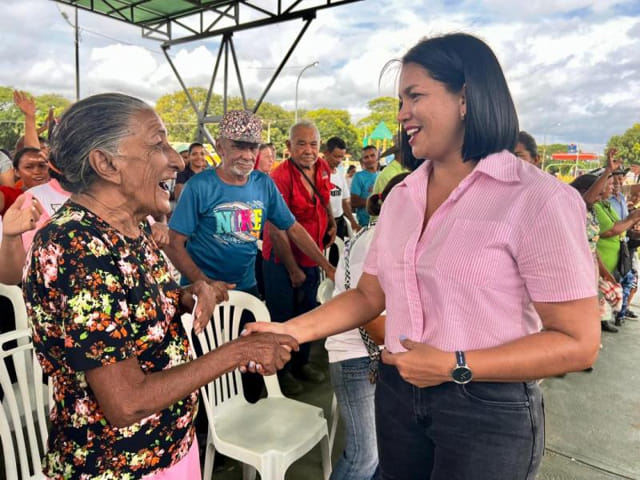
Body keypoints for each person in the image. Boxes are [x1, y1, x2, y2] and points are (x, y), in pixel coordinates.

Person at [246, 33, 599, 479]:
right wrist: (288, 331)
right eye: (400, 100)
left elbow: (578, 342)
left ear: (466, 97)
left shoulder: (537, 199)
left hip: (485, 408)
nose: (401, 115)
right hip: (397, 390)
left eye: (415, 96)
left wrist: (456, 366)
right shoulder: (402, 198)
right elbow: (368, 296)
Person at [23, 93, 298, 479]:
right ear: (105, 163)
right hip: (119, 466)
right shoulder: (77, 246)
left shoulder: (129, 230)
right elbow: (126, 401)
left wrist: (191, 294)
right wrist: (237, 352)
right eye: (158, 143)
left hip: (169, 448)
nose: (177, 159)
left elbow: (139, 307)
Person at [326, 172, 408, 480]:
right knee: (365, 456)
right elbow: (374, 326)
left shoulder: (388, 236)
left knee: (386, 452)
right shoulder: (377, 243)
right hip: (357, 360)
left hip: (374, 356)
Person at [261, 120, 336, 396]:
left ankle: (303, 362)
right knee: (283, 317)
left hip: (311, 256)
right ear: (289, 147)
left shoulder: (323, 167)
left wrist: (331, 221)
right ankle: (282, 373)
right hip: (283, 262)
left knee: (308, 313)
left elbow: (325, 197)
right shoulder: (279, 177)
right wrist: (293, 269)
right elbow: (277, 229)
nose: (308, 150)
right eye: (301, 143)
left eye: (313, 144)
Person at [324, 136, 360, 239]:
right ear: (326, 153)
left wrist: (353, 222)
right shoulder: (317, 175)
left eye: (341, 157)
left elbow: (344, 202)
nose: (339, 161)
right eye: (336, 156)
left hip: (339, 222)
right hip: (323, 223)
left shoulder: (340, 174)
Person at [350, 145, 379, 226]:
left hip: (380, 221)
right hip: (365, 223)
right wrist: (374, 203)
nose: (370, 159)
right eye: (366, 157)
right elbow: (353, 201)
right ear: (362, 160)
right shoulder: (358, 176)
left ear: (378, 156)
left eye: (372, 155)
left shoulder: (381, 175)